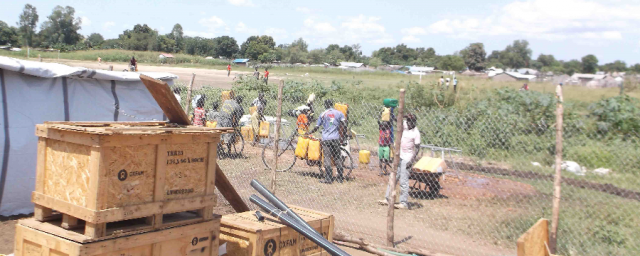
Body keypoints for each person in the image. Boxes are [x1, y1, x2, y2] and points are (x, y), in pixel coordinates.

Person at [380, 113, 421, 209]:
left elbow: (417, 148)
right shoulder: (405, 125)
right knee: (393, 177)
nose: (408, 124)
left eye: (410, 122)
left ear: (414, 122)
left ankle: (403, 202)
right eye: (407, 122)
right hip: (399, 156)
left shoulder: (416, 132)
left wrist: (412, 161)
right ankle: (387, 198)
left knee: (403, 181)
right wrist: (403, 116)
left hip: (407, 158)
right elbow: (395, 120)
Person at [309, 99, 346, 184]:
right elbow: (344, 124)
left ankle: (329, 178)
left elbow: (317, 127)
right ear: (332, 104)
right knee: (337, 158)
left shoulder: (323, 114)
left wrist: (310, 132)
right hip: (336, 138)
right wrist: (342, 136)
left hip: (326, 139)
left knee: (327, 158)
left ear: (325, 105)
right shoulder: (339, 113)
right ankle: (340, 178)